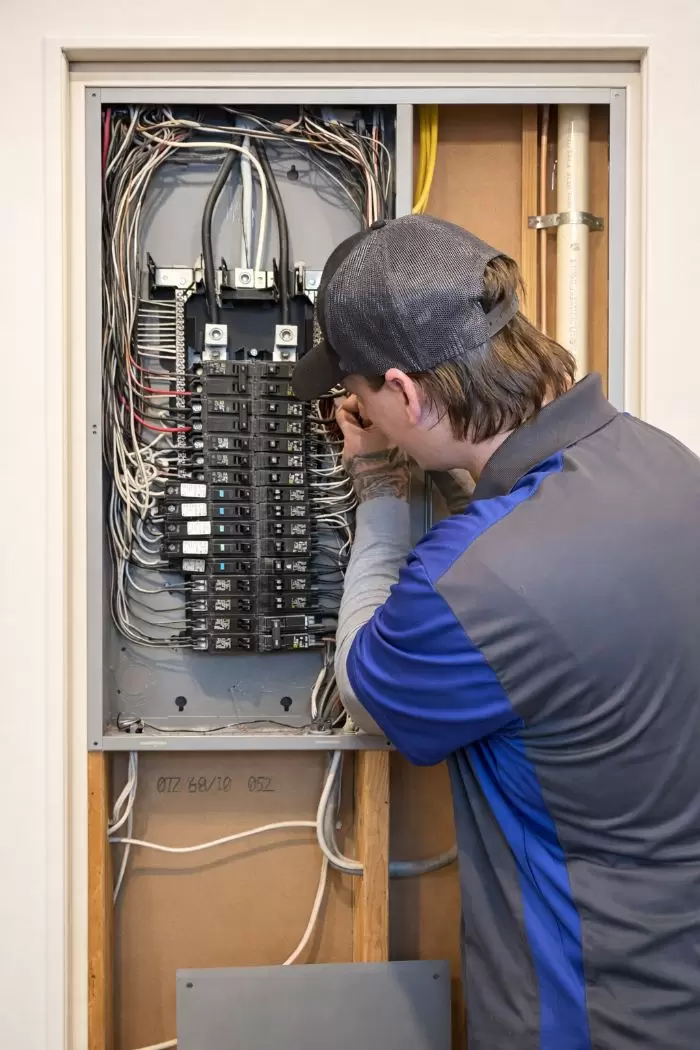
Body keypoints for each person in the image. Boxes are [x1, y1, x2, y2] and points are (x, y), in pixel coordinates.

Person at [292, 214, 700, 1050]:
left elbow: (369, 688)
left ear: (403, 394)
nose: (354, 408)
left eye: (359, 393)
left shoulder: (472, 581)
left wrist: (377, 485)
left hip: (586, 1009)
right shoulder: (667, 464)